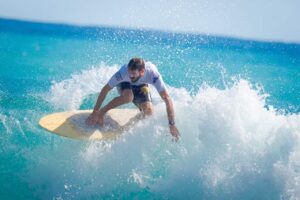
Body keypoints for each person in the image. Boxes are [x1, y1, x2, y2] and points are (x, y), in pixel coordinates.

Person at [86, 57, 180, 140]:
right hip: (124, 84)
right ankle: (102, 113)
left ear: (142, 72)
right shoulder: (123, 73)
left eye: (133, 74)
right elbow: (105, 89)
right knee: (128, 97)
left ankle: (128, 127)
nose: (130, 76)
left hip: (141, 84)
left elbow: (167, 98)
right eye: (129, 72)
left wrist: (172, 124)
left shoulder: (153, 74)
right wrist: (95, 112)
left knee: (149, 111)